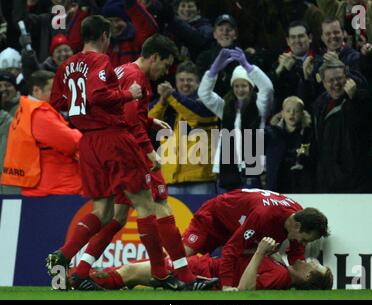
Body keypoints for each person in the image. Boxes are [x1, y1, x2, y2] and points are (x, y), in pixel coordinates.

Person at [45, 15, 182, 291]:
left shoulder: (67, 65)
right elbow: (98, 96)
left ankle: (64, 256)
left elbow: (58, 102)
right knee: (146, 204)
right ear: (105, 36)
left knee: (105, 212)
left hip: (88, 143)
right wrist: (128, 96)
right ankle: (161, 273)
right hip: (113, 141)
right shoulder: (102, 62)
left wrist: (143, 118)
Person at [104, 34, 217, 291]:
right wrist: (148, 151)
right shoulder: (137, 78)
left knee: (116, 215)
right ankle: (176, 275)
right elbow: (131, 119)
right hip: (131, 152)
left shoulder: (124, 71)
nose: (165, 71)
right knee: (160, 207)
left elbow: (125, 113)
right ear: (154, 57)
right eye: (165, 65)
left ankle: (79, 269)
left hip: (113, 151)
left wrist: (150, 122)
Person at [88, 237, 333, 291]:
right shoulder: (282, 267)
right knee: (131, 272)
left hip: (202, 276)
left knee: (131, 272)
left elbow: (245, 292)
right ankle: (86, 280)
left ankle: (79, 280)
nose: (310, 261)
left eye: (314, 265)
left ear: (309, 277)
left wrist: (259, 253)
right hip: (203, 266)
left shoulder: (281, 278)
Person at [198, 47, 273, 192]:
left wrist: (249, 67)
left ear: (251, 87)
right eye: (236, 86)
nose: (240, 90)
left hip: (250, 170)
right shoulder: (225, 107)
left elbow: (268, 89)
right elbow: (204, 94)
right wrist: (213, 71)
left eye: (244, 85)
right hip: (226, 171)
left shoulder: (260, 106)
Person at [180, 188, 328, 259]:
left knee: (262, 256)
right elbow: (231, 250)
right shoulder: (264, 214)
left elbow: (297, 257)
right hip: (214, 218)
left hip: (236, 227)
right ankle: (159, 267)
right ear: (298, 227)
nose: (302, 243)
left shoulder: (298, 219)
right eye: (304, 240)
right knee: (179, 259)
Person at [0, 70, 82, 196]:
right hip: (58, 186)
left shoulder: (25, 108)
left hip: (42, 183)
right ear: (37, 90)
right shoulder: (39, 113)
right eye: (53, 90)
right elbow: (71, 142)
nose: (59, 94)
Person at [149, 60, 218, 194]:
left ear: (198, 83)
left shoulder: (207, 102)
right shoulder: (169, 103)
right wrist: (162, 101)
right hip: (171, 179)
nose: (185, 84)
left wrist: (172, 95)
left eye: (190, 80)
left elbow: (197, 117)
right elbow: (150, 122)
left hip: (200, 180)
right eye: (181, 80)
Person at [311, 59, 372, 193]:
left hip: (355, 180)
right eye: (330, 80)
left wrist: (353, 99)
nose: (336, 84)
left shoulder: (361, 98)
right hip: (326, 178)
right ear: (323, 82)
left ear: (347, 78)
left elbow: (361, 129)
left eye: (339, 79)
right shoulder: (319, 103)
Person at [265, 96, 313, 193]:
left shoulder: (308, 134)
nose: (292, 114)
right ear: (282, 113)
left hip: (299, 185)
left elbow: (308, 153)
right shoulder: (270, 133)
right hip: (276, 185)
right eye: (288, 111)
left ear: (302, 114)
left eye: (296, 111)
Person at [271, 21, 317, 108]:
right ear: (288, 41)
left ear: (310, 38)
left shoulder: (319, 62)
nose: (297, 41)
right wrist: (278, 71)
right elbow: (269, 92)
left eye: (301, 36)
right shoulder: (278, 63)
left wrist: (298, 70)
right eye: (293, 37)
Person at [0, 71, 21, 194]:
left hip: (15, 174)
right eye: (0, 85)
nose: (3, 89)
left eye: (7, 85)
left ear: (15, 88)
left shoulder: (24, 107)